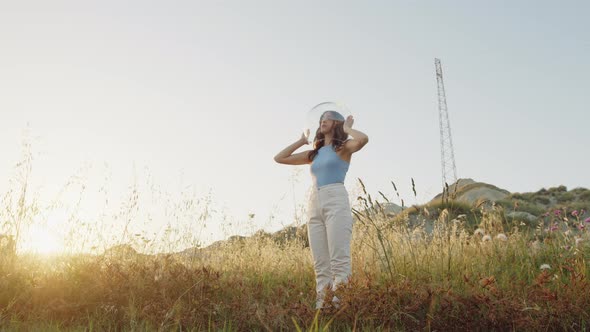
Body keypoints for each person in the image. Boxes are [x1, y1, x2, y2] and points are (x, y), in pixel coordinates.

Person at [273, 109, 369, 309]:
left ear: (336, 123)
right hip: (314, 202)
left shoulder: (342, 147)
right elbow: (280, 158)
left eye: (326, 118)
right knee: (320, 263)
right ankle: (322, 308)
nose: (321, 121)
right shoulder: (314, 154)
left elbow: (363, 139)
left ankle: (339, 307)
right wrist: (301, 141)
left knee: (339, 260)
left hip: (336, 199)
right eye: (320, 119)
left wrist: (348, 128)